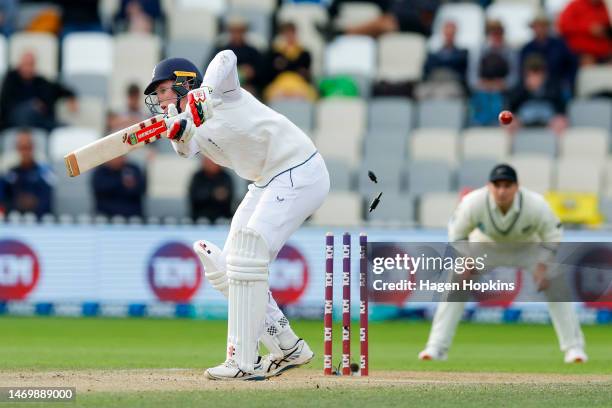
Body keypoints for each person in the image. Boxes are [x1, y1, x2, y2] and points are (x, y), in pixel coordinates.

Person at [143, 53, 329, 380]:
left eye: (163, 90)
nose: (160, 99)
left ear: (185, 81)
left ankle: (243, 362)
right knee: (230, 267)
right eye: (157, 94)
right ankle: (288, 346)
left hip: (299, 170)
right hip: (264, 182)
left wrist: (206, 92)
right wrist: (178, 128)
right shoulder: (187, 121)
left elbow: (227, 57)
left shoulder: (222, 92)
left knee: (248, 258)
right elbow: (186, 147)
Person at [419, 164, 588, 364]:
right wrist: (465, 259)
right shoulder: (473, 202)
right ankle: (436, 347)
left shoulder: (536, 204)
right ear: (489, 186)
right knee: (456, 282)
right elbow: (457, 234)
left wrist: (543, 264)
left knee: (554, 279)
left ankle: (574, 349)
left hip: (527, 247)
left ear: (517, 187)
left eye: (507, 185)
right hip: (485, 246)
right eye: (497, 185)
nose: (501, 191)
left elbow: (553, 235)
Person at [0, 52, 77, 131]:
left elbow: (60, 89)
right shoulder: (11, 79)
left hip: (38, 122)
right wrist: (32, 104)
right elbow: (6, 104)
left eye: (31, 64)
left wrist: (71, 96)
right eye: (25, 64)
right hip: (13, 121)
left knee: (66, 129)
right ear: (20, 65)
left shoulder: (41, 82)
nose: (28, 68)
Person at [506, 55, 568, 135]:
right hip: (524, 119)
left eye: (537, 74)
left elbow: (560, 106)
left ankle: (553, 145)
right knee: (509, 122)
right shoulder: (520, 87)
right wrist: (526, 89)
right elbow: (511, 105)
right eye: (530, 74)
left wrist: (541, 89)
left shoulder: (553, 86)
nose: (534, 78)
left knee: (561, 122)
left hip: (548, 119)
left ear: (544, 74)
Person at [520, 13, 577, 97]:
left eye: (543, 26)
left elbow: (571, 65)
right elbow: (522, 70)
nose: (540, 29)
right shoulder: (527, 49)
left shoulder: (559, 45)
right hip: (532, 88)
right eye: (537, 26)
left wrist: (566, 81)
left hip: (557, 87)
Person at [2, 130, 54, 217]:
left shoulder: (43, 174)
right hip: (13, 220)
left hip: (38, 221)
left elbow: (48, 203)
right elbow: (3, 200)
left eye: (28, 147)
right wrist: (18, 203)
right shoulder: (9, 174)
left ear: (33, 148)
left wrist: (33, 203)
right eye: (22, 148)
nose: (25, 152)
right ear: (17, 148)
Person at [263, 22, 317, 102]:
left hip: (298, 83)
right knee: (274, 95)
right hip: (280, 82)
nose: (289, 36)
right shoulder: (275, 53)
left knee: (306, 95)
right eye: (287, 33)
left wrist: (285, 65)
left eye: (292, 33)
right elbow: (271, 72)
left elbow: (305, 73)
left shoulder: (304, 53)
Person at [209, 17, 263, 94]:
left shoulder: (253, 52)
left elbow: (262, 72)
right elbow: (211, 71)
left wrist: (252, 72)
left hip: (247, 87)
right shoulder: (220, 51)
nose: (237, 34)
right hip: (224, 88)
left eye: (240, 31)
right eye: (234, 31)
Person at [557, 0, 612, 65]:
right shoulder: (574, 6)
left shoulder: (606, 7)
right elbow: (563, 26)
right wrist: (588, 28)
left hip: (605, 54)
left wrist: (603, 30)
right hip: (581, 54)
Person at [189, 156, 234, 223]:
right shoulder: (197, 176)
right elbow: (195, 196)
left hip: (222, 217)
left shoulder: (226, 177)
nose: (209, 164)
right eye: (206, 161)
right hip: (200, 216)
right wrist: (213, 193)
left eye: (211, 161)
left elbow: (227, 196)